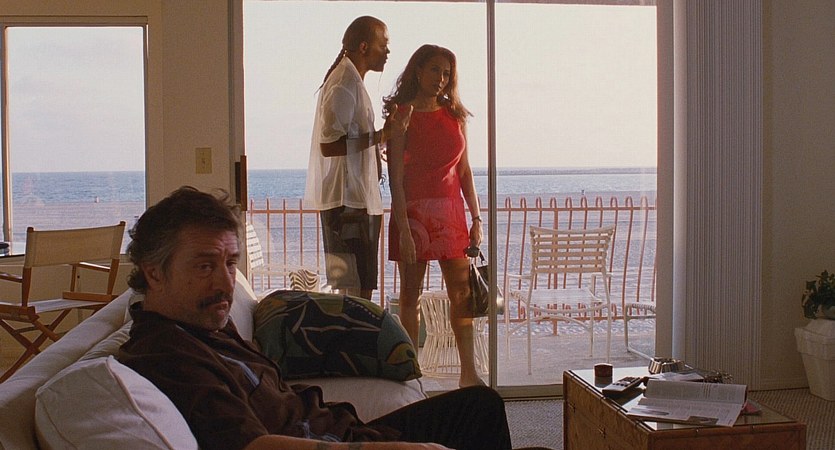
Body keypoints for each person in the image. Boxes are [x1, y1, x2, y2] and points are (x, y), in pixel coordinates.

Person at [117, 186, 513, 450]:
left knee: (479, 406)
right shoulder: (167, 354)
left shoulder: (202, 322)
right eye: (205, 266)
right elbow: (251, 446)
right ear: (154, 272)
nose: (225, 283)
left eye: (230, 263)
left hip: (344, 431)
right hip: (338, 444)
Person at [383, 45, 483, 388]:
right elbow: (395, 178)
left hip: (451, 215)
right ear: (418, 71)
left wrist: (477, 219)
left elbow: (465, 172)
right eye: (435, 70)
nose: (441, 78)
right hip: (412, 216)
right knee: (410, 295)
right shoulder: (401, 114)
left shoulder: (455, 115)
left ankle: (468, 373)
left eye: (446, 73)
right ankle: (412, 375)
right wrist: (403, 230)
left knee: (463, 295)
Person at [303, 16, 411, 300]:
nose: (388, 51)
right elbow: (329, 145)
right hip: (346, 204)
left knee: (361, 289)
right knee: (351, 293)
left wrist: (379, 143)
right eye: (383, 45)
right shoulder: (343, 83)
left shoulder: (352, 81)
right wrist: (381, 135)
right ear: (364, 47)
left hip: (357, 201)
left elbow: (353, 141)